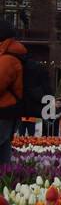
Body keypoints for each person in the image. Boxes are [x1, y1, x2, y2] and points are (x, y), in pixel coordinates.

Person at [0, 22, 27, 163]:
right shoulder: (8, 55)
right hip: (8, 111)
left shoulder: (8, 59)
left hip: (4, 111)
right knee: (3, 148)